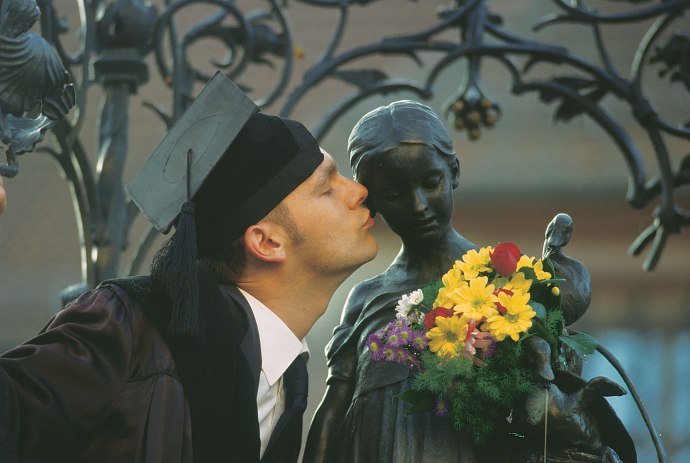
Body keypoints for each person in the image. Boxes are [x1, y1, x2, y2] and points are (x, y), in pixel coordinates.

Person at [0, 74, 377, 462]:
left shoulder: (285, 380)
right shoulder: (125, 331)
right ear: (267, 242)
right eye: (327, 186)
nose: (358, 190)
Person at [303, 100, 600, 463]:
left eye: (430, 183)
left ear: (454, 171)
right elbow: (334, 408)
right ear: (372, 201)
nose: (418, 206)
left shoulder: (508, 282)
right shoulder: (366, 298)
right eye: (394, 194)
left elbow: (547, 390)